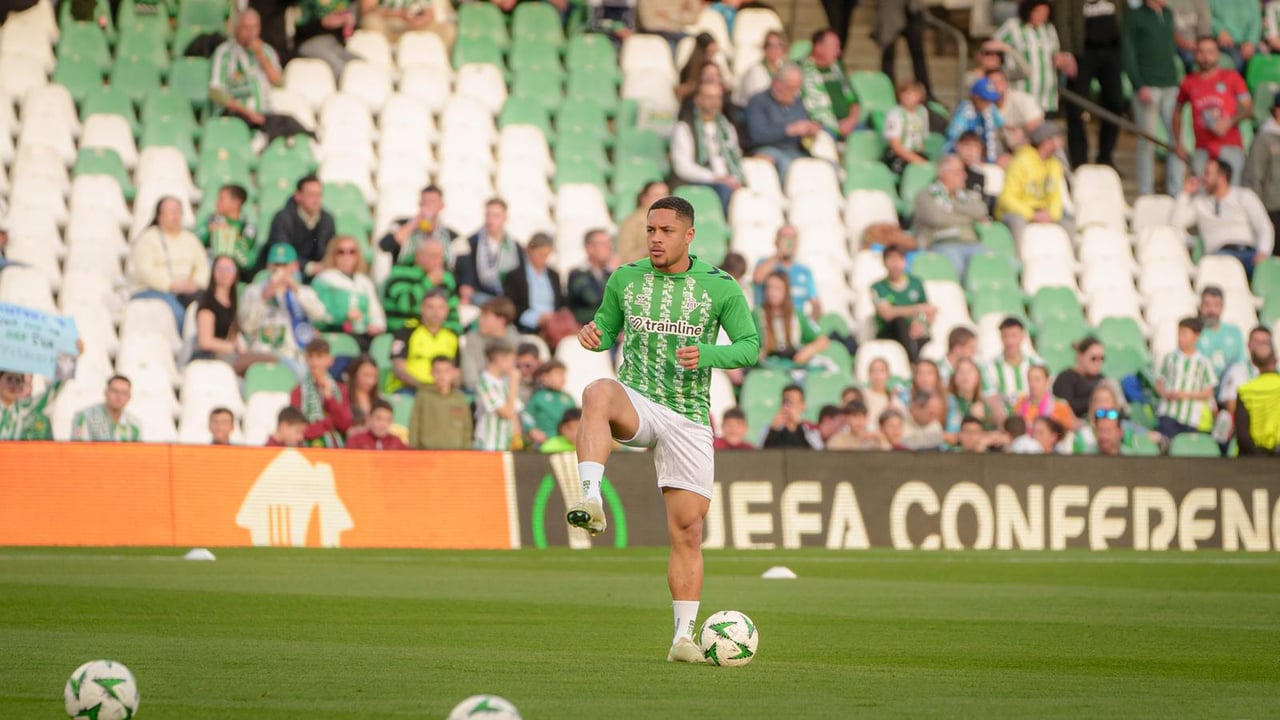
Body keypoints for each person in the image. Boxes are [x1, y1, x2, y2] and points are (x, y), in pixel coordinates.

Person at [569, 195, 759, 663]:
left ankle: (682, 639)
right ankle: (590, 498)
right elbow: (604, 329)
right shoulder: (625, 278)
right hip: (638, 400)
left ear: (688, 235)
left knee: (688, 530)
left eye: (666, 231)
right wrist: (592, 335)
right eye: (651, 230)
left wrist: (709, 354)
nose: (655, 239)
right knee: (597, 391)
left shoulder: (720, 286)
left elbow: (750, 346)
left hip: (688, 414)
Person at [209, 10, 307, 143]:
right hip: (236, 114)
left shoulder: (267, 51)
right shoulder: (224, 52)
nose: (251, 32)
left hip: (264, 113)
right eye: (246, 27)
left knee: (293, 126)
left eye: (254, 27)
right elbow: (216, 92)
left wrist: (260, 55)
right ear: (236, 28)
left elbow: (278, 82)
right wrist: (247, 112)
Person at [1171, 159, 1274, 280]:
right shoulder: (1200, 203)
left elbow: (1264, 226)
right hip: (1219, 256)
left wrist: (1263, 252)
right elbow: (1176, 223)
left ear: (1221, 177)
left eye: (1207, 173)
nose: (1203, 178)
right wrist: (1185, 193)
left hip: (1248, 253)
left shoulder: (1244, 196)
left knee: (1270, 269)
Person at [239, 244, 330, 379]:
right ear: (268, 266)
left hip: (295, 355)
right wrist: (263, 298)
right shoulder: (254, 291)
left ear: (294, 266)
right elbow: (247, 326)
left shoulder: (303, 292)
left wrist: (296, 289)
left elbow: (320, 314)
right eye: (276, 265)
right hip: (263, 354)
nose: (279, 269)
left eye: (284, 265)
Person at [1125, 0, 1185, 197]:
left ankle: (1176, 189)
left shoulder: (1168, 14)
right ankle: (1146, 192)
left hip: (1170, 84)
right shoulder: (1135, 16)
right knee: (1147, 142)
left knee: (1177, 139)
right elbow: (1128, 51)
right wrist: (1138, 84)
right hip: (1147, 86)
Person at [1055, 0, 1124, 169]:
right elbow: (1062, 18)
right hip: (1082, 52)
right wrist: (1067, 51)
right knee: (1076, 108)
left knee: (1115, 104)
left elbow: (1124, 14)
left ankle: (1106, 157)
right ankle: (1079, 161)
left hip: (1111, 50)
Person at [1171, 36, 1252, 180]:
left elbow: (1248, 109)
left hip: (1230, 146)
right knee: (1201, 190)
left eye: (1210, 52)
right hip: (1202, 148)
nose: (1206, 57)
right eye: (1201, 52)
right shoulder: (1188, 82)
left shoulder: (1232, 77)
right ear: (1195, 54)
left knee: (1231, 190)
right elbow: (1177, 112)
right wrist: (1179, 144)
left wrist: (1229, 122)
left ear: (1217, 54)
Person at [128, 196, 210, 331]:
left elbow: (202, 266)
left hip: (188, 290)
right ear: (159, 215)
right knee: (176, 313)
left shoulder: (191, 239)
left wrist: (195, 283)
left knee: (209, 307)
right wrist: (171, 284)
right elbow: (144, 271)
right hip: (153, 289)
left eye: (178, 211)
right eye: (171, 212)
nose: (175, 216)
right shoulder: (147, 238)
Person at [671, 82, 745, 214]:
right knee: (724, 189)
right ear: (698, 100)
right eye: (710, 97)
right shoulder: (684, 127)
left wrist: (734, 178)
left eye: (718, 98)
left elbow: (736, 158)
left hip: (728, 179)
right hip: (700, 181)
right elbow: (683, 167)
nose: (715, 103)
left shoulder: (727, 128)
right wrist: (715, 178)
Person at [913, 156, 990, 281]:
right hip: (941, 243)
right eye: (959, 172)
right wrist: (968, 217)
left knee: (996, 262)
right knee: (956, 265)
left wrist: (955, 207)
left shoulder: (964, 195)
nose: (964, 176)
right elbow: (937, 219)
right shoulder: (926, 195)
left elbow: (982, 210)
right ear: (945, 174)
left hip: (971, 243)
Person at [744, 63, 822, 183]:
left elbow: (805, 128)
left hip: (796, 150)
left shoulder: (797, 102)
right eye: (791, 88)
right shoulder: (758, 102)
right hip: (768, 149)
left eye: (798, 88)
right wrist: (788, 130)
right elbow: (757, 135)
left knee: (826, 166)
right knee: (789, 166)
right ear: (777, 85)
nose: (795, 92)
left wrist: (810, 130)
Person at [997, 121, 1072, 245]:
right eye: (1058, 138)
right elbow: (1006, 199)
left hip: (1042, 211)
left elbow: (1056, 198)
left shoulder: (1055, 165)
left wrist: (1051, 215)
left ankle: (1073, 256)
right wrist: (1031, 214)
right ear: (1047, 142)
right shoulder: (1020, 162)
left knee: (1068, 223)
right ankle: (1017, 256)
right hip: (1017, 211)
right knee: (1018, 222)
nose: (1061, 142)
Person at [994, 0, 1072, 114]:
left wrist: (1062, 60)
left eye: (1045, 13)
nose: (1042, 16)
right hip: (1021, 94)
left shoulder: (1049, 29)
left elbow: (1056, 53)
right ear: (1029, 10)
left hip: (1046, 98)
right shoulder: (1013, 26)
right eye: (1038, 12)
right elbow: (992, 46)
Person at [193, 255, 266, 374]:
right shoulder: (207, 304)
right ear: (213, 272)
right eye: (220, 268)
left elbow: (233, 334)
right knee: (263, 361)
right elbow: (205, 341)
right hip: (211, 358)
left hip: (229, 356)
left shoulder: (234, 302)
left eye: (229, 269)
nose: (224, 273)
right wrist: (232, 347)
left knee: (265, 361)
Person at [311, 235, 386, 348]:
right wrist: (344, 315)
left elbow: (376, 313)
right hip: (335, 335)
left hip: (363, 335)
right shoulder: (323, 280)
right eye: (341, 252)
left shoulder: (364, 282)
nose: (347, 257)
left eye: (352, 252)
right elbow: (318, 314)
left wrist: (372, 323)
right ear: (333, 255)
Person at [455, 198, 526, 306]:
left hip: (508, 300)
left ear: (505, 218)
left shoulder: (515, 248)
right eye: (488, 215)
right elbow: (466, 277)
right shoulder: (471, 243)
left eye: (496, 216)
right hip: (479, 298)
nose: (490, 220)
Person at [502, 233, 573, 343]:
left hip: (553, 322)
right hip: (527, 325)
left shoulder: (554, 275)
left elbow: (560, 302)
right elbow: (511, 305)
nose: (543, 259)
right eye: (540, 254)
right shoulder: (515, 276)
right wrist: (536, 318)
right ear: (529, 251)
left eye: (546, 255)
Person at [871, 244, 935, 363]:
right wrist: (916, 309)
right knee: (899, 321)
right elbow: (887, 314)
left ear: (904, 261)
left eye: (898, 259)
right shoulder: (878, 287)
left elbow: (930, 309)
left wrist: (921, 323)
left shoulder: (916, 283)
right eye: (890, 259)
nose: (895, 264)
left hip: (914, 331)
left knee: (923, 335)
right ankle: (913, 362)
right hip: (890, 332)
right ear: (884, 263)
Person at [377, 185, 459, 278]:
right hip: (406, 279)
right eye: (425, 202)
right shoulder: (400, 224)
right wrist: (414, 223)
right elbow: (384, 246)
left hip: (438, 281)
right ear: (419, 204)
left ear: (441, 205)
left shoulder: (453, 236)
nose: (428, 206)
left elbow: (462, 266)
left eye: (432, 202)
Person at [1156, 316, 1217, 439]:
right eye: (1179, 333)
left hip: (1192, 418)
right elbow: (1159, 382)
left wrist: (1186, 395)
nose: (1180, 338)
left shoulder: (1203, 362)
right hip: (1168, 413)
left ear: (1196, 336)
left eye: (1184, 334)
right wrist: (1166, 394)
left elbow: (1208, 392)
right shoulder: (1169, 358)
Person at [266, 175, 336, 281]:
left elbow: (330, 251)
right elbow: (281, 253)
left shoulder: (327, 219)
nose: (316, 199)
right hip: (287, 272)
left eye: (319, 194)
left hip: (318, 275)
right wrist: (308, 267)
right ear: (298, 196)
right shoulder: (283, 218)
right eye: (311, 194)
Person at [382, 238, 460, 333]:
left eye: (441, 257)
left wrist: (454, 331)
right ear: (419, 256)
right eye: (434, 256)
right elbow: (404, 304)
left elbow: (452, 310)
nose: (439, 261)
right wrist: (428, 282)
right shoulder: (399, 272)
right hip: (402, 331)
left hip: (436, 333)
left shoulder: (446, 277)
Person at [388, 289, 459, 394]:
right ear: (422, 308)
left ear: (447, 310)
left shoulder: (452, 336)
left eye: (440, 307)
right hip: (410, 388)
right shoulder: (407, 331)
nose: (436, 312)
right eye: (430, 307)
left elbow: (457, 372)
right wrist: (424, 388)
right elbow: (399, 369)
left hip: (441, 392)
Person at [754, 271, 829, 369]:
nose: (772, 293)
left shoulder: (797, 315)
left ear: (786, 291)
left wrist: (808, 351)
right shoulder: (757, 315)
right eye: (769, 288)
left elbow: (822, 340)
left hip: (792, 365)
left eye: (777, 288)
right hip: (766, 367)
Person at [289, 338, 353, 447]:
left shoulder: (341, 389)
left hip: (337, 449)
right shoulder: (298, 391)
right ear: (306, 360)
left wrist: (329, 397)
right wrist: (329, 423)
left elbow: (345, 424)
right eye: (310, 357)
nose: (314, 362)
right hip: (308, 448)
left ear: (329, 360)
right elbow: (297, 430)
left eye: (319, 357)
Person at [800, 28, 859, 140]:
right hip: (819, 127)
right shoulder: (798, 70)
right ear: (818, 47)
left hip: (848, 125)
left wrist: (850, 122)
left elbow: (854, 102)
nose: (838, 52)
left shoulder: (838, 68)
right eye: (834, 47)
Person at [983, 316, 1042, 423]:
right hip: (1003, 422)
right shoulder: (990, 366)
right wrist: (1006, 425)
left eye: (1014, 336)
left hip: (1032, 421)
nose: (1010, 341)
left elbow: (1044, 394)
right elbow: (991, 399)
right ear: (1001, 337)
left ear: (1022, 336)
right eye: (1005, 336)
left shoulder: (1036, 363)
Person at [750, 225, 819, 315]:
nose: (789, 241)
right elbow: (758, 278)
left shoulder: (804, 271)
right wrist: (779, 254)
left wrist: (809, 321)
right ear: (776, 241)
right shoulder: (764, 263)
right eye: (785, 237)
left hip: (794, 321)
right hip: (767, 320)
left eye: (793, 237)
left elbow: (815, 302)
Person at [408, 355, 472, 449]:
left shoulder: (459, 398)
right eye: (437, 371)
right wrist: (414, 449)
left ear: (454, 372)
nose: (442, 375)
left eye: (446, 371)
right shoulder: (423, 396)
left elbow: (467, 427)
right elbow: (414, 425)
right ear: (431, 372)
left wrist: (467, 450)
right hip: (428, 451)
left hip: (455, 452)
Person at [459, 296, 521, 393]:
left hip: (510, 392)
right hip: (479, 392)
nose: (480, 321)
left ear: (501, 320)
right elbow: (470, 378)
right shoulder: (473, 339)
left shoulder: (516, 341)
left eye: (485, 317)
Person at [197, 184, 259, 280]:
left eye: (221, 199)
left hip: (235, 276)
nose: (217, 202)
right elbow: (195, 242)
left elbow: (246, 262)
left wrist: (229, 235)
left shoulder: (247, 228)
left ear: (236, 203)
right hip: (209, 272)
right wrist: (209, 230)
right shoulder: (211, 220)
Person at [473, 342, 527, 451]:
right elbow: (507, 413)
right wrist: (514, 384)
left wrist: (517, 437)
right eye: (512, 360)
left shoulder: (505, 382)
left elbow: (514, 413)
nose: (514, 365)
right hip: (489, 445)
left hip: (506, 445)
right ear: (499, 359)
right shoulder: (484, 383)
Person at [1234, 331, 1280, 455]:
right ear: (1276, 360)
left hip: (1253, 456)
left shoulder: (1245, 390)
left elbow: (1242, 432)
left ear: (1254, 362)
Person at [1243, 94, 1280, 248]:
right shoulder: (1263, 139)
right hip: (1273, 208)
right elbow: (1253, 176)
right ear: (1277, 110)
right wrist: (1257, 210)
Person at [944, 78, 1007, 166]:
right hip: (961, 160)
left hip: (984, 159)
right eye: (985, 99)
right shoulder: (963, 112)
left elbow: (1002, 126)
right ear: (975, 97)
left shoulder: (990, 108)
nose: (988, 103)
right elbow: (954, 140)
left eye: (990, 100)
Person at [873, 0, 930, 97]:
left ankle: (925, 94)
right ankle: (888, 93)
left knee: (918, 53)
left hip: (912, 7)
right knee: (888, 53)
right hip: (889, 6)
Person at [294, 0, 361, 81]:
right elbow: (299, 30)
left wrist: (348, 23)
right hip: (310, 43)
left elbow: (347, 34)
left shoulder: (344, 2)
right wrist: (323, 22)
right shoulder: (308, 3)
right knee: (338, 66)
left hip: (333, 44)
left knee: (359, 64)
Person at [70, 375, 142, 442]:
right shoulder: (85, 417)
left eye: (124, 393)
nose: (119, 396)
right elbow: (78, 448)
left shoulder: (134, 425)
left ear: (129, 397)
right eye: (115, 391)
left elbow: (137, 450)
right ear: (106, 392)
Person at [1196, 286, 1246, 380]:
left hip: (1229, 383)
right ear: (1200, 307)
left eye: (1216, 305)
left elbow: (1241, 364)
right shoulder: (1194, 332)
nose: (1211, 310)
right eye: (1207, 305)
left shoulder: (1234, 332)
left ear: (1222, 307)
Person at [567, 229, 616, 325]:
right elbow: (592, 298)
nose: (609, 248)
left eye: (609, 243)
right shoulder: (577, 274)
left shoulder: (610, 273)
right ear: (590, 248)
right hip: (585, 327)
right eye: (603, 244)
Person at [882, 80, 930, 176]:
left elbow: (922, 141)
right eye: (904, 94)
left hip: (916, 152)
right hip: (898, 154)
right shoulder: (894, 114)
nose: (907, 97)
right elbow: (896, 146)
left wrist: (920, 159)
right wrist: (917, 160)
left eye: (912, 94)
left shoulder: (922, 112)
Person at [361, 0, 455, 48]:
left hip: (416, 24)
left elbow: (430, 12)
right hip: (388, 22)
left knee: (448, 30)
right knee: (370, 21)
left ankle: (440, 67)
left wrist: (418, 21)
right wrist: (399, 14)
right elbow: (368, 10)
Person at [1052, 336, 1105, 420]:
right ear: (1080, 356)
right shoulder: (1066, 378)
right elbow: (1066, 407)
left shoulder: (1102, 379)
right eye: (1093, 358)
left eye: (1101, 358)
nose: (1098, 363)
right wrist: (1096, 401)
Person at [1012, 364, 1076, 431]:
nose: (1032, 383)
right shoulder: (1020, 403)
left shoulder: (1060, 405)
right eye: (1029, 379)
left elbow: (1068, 431)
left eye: (1037, 379)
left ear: (1047, 381)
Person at [526, 360, 576, 445]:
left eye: (563, 374)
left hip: (567, 443)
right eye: (558, 374)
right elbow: (526, 416)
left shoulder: (568, 398)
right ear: (545, 377)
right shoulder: (538, 397)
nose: (562, 378)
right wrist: (532, 430)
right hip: (545, 442)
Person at [618, 182, 669, 264]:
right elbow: (625, 257)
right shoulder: (631, 223)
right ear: (644, 198)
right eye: (657, 195)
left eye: (665, 195)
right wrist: (650, 249)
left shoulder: (672, 221)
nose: (662, 200)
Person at [944, 356, 990, 445]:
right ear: (954, 377)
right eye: (961, 371)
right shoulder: (946, 402)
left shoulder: (984, 405)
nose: (965, 375)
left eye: (970, 371)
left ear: (978, 376)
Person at [734, 31, 786, 107]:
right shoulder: (755, 71)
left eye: (779, 45)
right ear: (764, 48)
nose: (774, 49)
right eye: (769, 45)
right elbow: (757, 100)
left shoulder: (784, 69)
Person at [762, 385, 822, 449]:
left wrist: (796, 427)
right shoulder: (771, 429)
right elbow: (762, 452)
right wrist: (773, 430)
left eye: (793, 402)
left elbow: (817, 452)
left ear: (803, 406)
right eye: (785, 401)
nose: (788, 406)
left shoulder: (810, 430)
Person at [1211, 0, 1261, 71]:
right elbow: (1206, 15)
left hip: (1247, 43)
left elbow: (1256, 21)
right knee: (1237, 62)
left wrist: (1250, 42)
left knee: (1260, 63)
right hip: (1223, 42)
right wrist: (1220, 31)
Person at [862, 357, 904, 432]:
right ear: (869, 374)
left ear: (888, 374)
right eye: (874, 371)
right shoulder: (862, 395)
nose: (877, 374)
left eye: (881, 370)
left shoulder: (895, 400)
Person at [343, 354, 381, 435]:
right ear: (354, 374)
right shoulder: (344, 396)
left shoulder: (378, 399)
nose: (370, 381)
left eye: (374, 376)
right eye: (366, 375)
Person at [1169, 0, 1212, 70]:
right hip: (1176, 43)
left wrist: (1200, 44)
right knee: (1189, 58)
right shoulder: (1166, 3)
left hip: (1197, 42)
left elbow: (1204, 26)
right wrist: (1184, 43)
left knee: (1208, 56)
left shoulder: (1200, 2)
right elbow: (1166, 29)